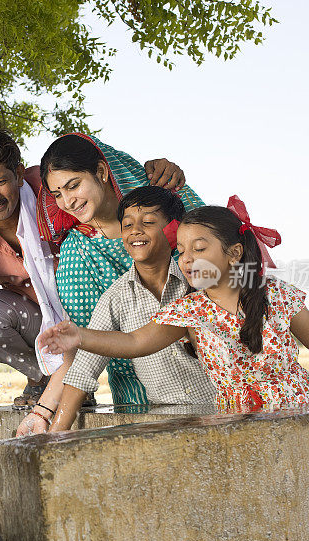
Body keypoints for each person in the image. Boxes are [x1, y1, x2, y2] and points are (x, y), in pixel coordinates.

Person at [40, 197, 309, 432]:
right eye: (180, 251)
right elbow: (135, 341)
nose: (187, 259)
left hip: (300, 412)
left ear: (234, 253)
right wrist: (81, 336)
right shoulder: (191, 310)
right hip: (238, 422)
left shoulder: (276, 294)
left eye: (199, 248)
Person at [0, 129, 186, 406]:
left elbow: (96, 169)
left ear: (18, 174)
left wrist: (151, 172)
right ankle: (47, 380)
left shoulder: (50, 192)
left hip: (94, 303)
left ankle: (67, 385)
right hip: (47, 326)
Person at [16, 186, 216, 436]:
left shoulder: (200, 281)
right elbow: (83, 370)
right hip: (169, 424)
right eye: (127, 224)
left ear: (173, 230)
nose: (135, 231)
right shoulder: (116, 298)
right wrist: (55, 435)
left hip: (223, 411)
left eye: (149, 222)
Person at [33, 133, 206, 407]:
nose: (68, 202)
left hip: (213, 376)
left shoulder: (166, 198)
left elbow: (220, 263)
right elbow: (88, 342)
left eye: (74, 185)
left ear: (101, 171)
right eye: (58, 194)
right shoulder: (76, 255)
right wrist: (44, 412)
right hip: (139, 399)